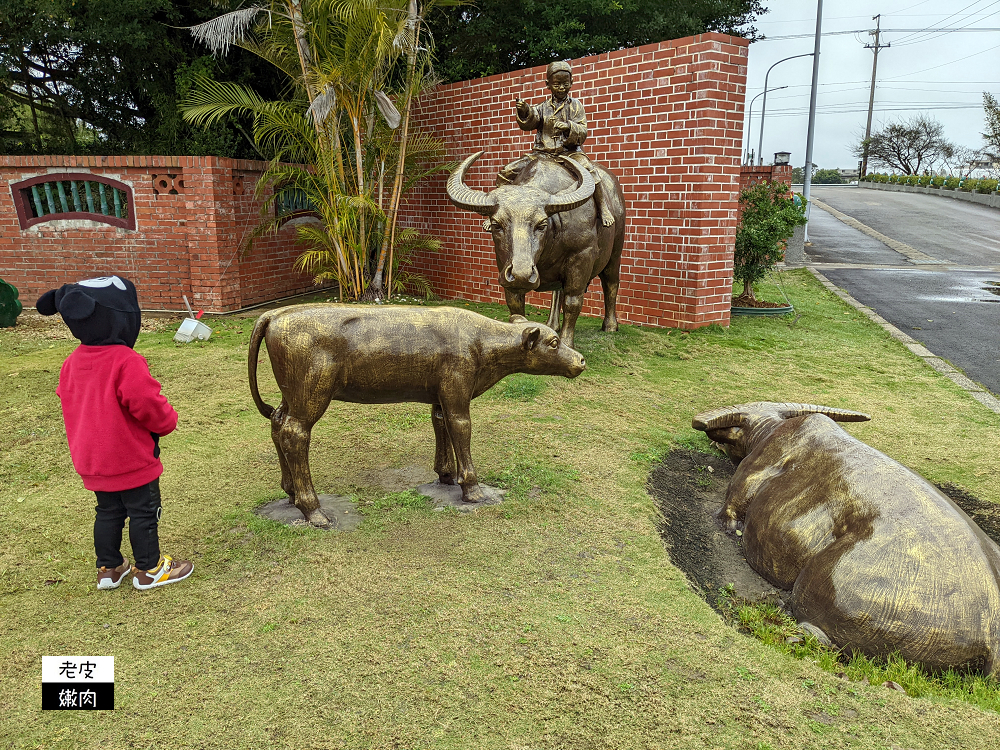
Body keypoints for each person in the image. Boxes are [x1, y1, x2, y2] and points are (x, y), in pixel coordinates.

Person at [36, 275, 193, 591]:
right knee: (143, 512)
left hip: (93, 459)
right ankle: (149, 570)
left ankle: (109, 567)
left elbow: (67, 397)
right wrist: (167, 422)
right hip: (131, 458)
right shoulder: (125, 360)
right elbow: (146, 402)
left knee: (107, 511)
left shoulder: (71, 362)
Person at [499, 60, 615, 227]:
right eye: (557, 84)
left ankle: (603, 207)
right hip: (542, 154)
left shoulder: (576, 106)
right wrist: (524, 110)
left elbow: (583, 131)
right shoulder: (542, 107)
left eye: (565, 84)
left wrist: (569, 126)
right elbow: (531, 121)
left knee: (589, 170)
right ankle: (499, 213)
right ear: (548, 85)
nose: (561, 88)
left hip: (569, 152)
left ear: (572, 83)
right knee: (506, 172)